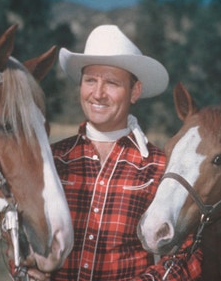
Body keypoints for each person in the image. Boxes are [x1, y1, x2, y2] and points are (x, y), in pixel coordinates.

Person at [40, 25, 202, 280]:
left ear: (134, 92)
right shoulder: (52, 159)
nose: (98, 93)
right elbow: (18, 233)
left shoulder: (159, 166)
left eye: (112, 83)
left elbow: (190, 250)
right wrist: (26, 269)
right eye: (90, 80)